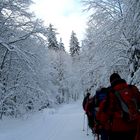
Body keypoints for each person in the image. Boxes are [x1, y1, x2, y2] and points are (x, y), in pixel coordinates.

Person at [96, 73, 140, 140]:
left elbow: (105, 112)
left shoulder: (111, 93)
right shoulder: (132, 89)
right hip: (135, 127)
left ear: (111, 82)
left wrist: (99, 124)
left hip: (118, 130)